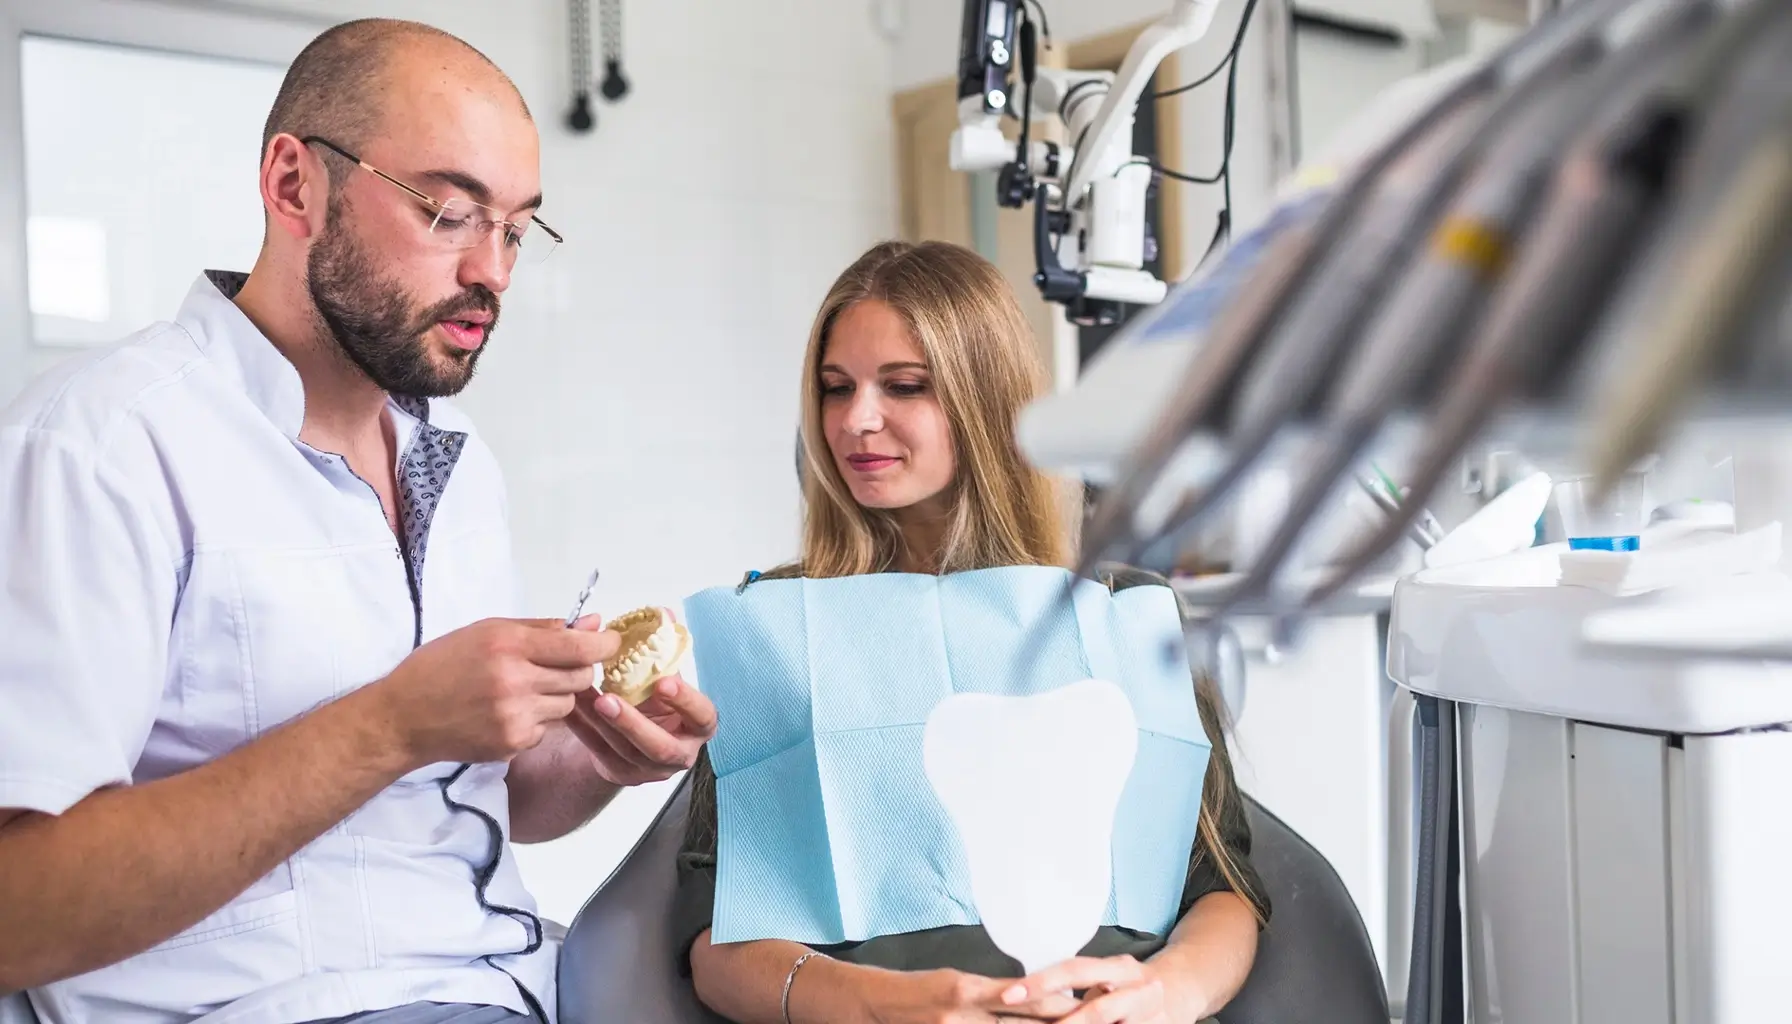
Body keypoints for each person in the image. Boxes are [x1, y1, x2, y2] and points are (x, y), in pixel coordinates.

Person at [0, 19, 715, 1024]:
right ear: (294, 185)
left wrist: (591, 757)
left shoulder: (459, 467)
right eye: (452, 212)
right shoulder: (99, 449)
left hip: (515, 987)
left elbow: (440, 817)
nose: (494, 273)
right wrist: (390, 724)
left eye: (515, 228)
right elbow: (19, 915)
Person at [675, 241, 1270, 1024]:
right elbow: (710, 931)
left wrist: (1166, 992)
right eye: (834, 387)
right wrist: (879, 1006)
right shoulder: (775, 630)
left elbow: (1222, 886)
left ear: (988, 400)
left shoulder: (1122, 613)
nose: (856, 419)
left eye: (905, 386)